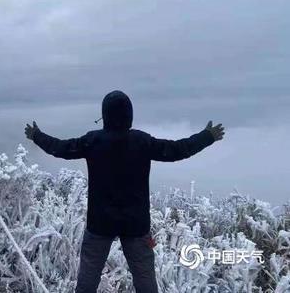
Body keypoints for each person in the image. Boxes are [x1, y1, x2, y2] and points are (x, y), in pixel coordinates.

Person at [24, 90, 225, 293]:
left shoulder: (93, 141)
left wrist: (36, 136)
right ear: (129, 115)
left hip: (100, 223)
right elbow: (177, 150)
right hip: (136, 224)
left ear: (105, 115)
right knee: (145, 280)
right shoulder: (142, 141)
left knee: (87, 279)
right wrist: (206, 137)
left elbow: (60, 148)